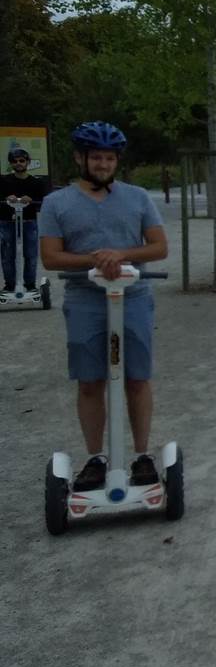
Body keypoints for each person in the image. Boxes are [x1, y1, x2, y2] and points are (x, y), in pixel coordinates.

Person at [38, 123, 168, 492]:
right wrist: (94, 261)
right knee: (91, 382)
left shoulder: (137, 197)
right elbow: (50, 256)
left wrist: (121, 254)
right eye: (96, 157)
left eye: (109, 158)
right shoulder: (56, 203)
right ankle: (96, 458)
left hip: (134, 297)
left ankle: (142, 456)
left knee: (137, 378)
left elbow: (159, 247)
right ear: (80, 158)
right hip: (84, 300)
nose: (103, 164)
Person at [2, 147, 49, 294]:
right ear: (11, 164)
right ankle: (9, 286)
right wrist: (6, 198)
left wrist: (32, 199)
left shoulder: (36, 182)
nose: (18, 163)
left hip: (29, 222)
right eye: (15, 161)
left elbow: (44, 202)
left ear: (27, 162)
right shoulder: (3, 180)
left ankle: (30, 285)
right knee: (7, 255)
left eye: (22, 160)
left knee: (30, 254)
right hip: (7, 222)